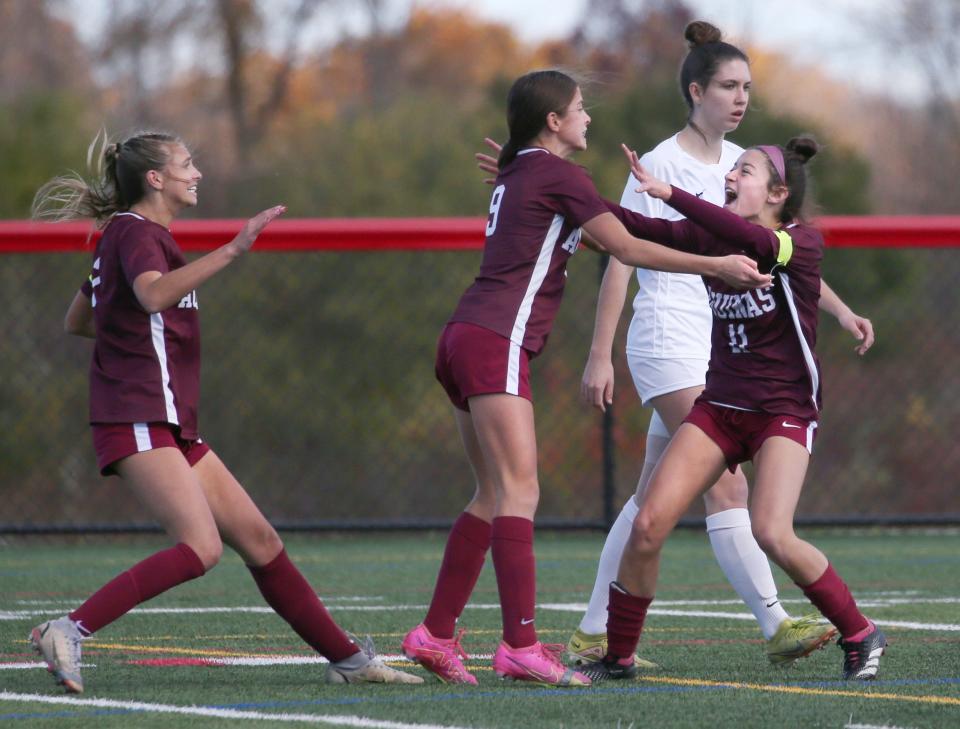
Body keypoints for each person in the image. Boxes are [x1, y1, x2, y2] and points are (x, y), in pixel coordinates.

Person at [479, 20, 872, 669]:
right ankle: (775, 622)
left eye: (747, 85)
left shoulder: (748, 166)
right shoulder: (663, 161)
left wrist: (843, 308)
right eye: (727, 85)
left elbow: (782, 256)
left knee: (647, 506)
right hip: (668, 330)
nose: (740, 96)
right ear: (696, 90)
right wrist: (601, 349)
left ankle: (591, 631)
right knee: (725, 491)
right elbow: (620, 247)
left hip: (724, 342)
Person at [401, 69, 772, 687]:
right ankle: (520, 644)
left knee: (493, 495)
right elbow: (625, 246)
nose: (588, 118)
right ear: (553, 121)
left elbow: (608, 229)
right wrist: (714, 264)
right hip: (496, 340)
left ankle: (434, 634)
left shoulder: (525, 171)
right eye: (579, 109)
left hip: (463, 337)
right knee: (520, 493)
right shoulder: (552, 174)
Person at [28, 130, 422, 693]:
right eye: (187, 165)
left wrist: (128, 331)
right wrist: (233, 250)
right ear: (155, 179)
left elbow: (79, 320)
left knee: (260, 541)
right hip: (136, 414)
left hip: (168, 421)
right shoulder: (137, 232)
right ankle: (67, 629)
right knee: (201, 548)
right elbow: (150, 295)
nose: (198, 174)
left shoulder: (133, 234)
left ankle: (350, 661)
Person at [578, 137, 886, 683]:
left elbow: (749, 240)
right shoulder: (718, 237)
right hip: (721, 405)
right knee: (648, 523)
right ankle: (618, 656)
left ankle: (860, 632)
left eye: (743, 171)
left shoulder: (799, 242)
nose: (730, 176)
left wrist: (668, 191)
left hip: (782, 411)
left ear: (778, 193)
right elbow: (633, 229)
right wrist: (562, 191)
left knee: (771, 530)